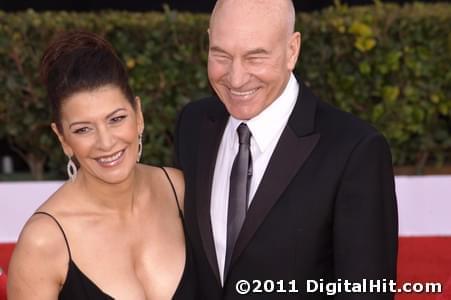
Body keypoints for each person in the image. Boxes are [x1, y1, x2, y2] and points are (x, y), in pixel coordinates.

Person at [174, 0, 398, 299]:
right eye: (221, 55)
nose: (236, 78)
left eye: (255, 57)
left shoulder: (355, 151)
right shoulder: (193, 124)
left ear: (292, 50)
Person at [8, 31, 198, 299]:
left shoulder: (179, 190)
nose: (106, 142)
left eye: (116, 119)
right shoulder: (44, 242)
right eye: (84, 129)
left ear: (138, 115)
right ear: (63, 138)